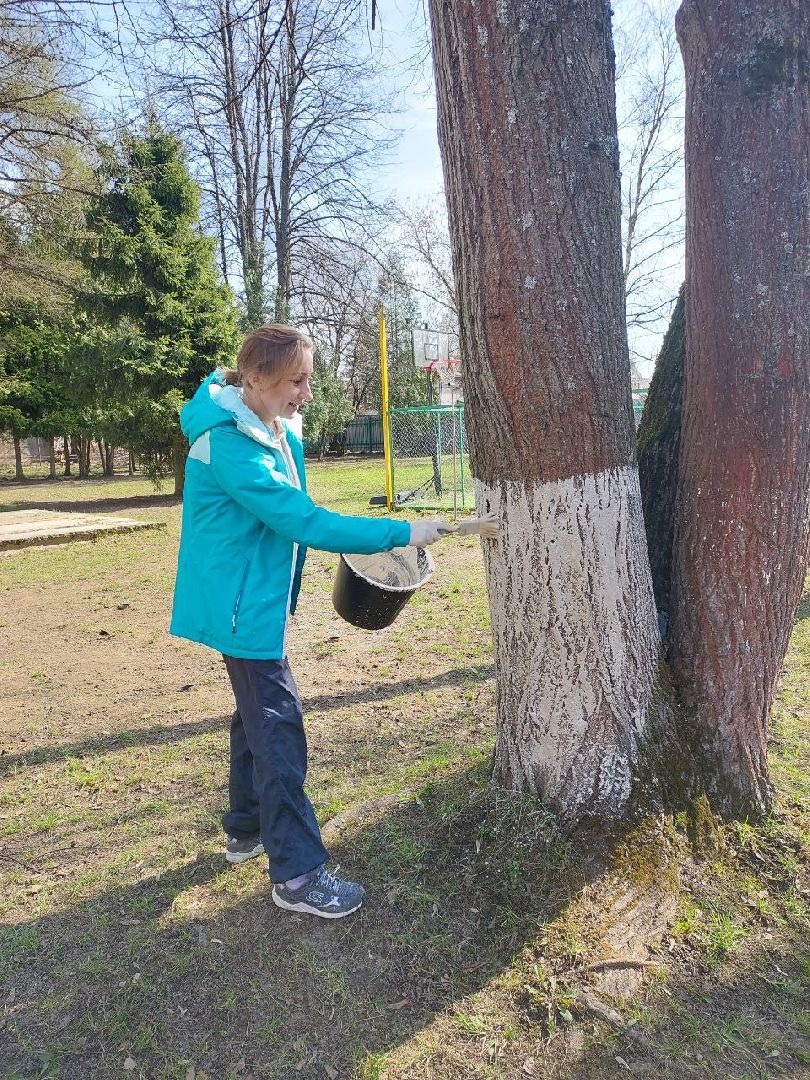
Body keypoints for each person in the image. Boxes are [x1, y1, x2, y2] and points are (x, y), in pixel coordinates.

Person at [170, 324, 446, 919]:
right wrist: (401, 531)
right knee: (277, 727)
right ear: (256, 378)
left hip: (253, 601)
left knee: (254, 718)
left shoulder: (267, 424)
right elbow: (304, 520)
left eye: (308, 379)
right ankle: (296, 873)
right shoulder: (230, 445)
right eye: (296, 380)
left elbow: (294, 495)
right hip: (241, 608)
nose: (306, 393)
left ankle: (245, 828)